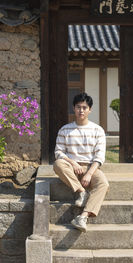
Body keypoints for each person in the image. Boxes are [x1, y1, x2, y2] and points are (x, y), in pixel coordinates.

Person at [53, 92, 109, 232]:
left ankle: (82, 217)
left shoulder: (98, 130)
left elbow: (99, 156)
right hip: (71, 167)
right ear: (74, 108)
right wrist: (73, 163)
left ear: (90, 110)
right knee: (58, 164)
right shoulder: (65, 129)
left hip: (90, 168)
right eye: (78, 107)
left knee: (103, 183)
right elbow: (58, 152)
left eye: (84, 107)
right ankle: (81, 192)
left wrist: (89, 174)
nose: (81, 110)